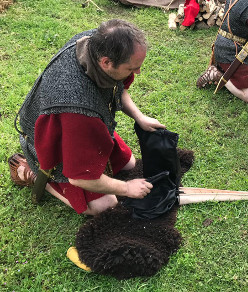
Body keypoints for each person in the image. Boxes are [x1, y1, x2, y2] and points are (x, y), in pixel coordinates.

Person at [8, 19, 165, 216]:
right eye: (132, 68)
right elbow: (79, 178)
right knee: (105, 206)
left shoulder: (96, 43)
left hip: (81, 125)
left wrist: (139, 117)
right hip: (50, 144)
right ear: (106, 63)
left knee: (129, 164)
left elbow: (118, 87)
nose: (138, 72)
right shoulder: (77, 111)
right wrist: (126, 188)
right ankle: (37, 175)